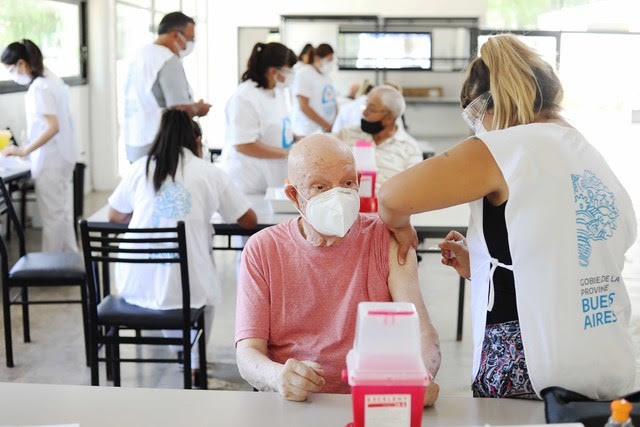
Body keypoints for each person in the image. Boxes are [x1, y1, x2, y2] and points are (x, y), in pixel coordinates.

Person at [378, 34, 637, 400]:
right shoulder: (585, 151)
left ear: (489, 104)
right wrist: (483, 263)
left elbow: (391, 197)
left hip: (527, 366)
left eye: (474, 115)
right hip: (604, 357)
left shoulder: (507, 146)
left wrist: (401, 226)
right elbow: (576, 249)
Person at [235, 134, 440, 405]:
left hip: (372, 399)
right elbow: (248, 353)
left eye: (346, 183)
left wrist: (421, 376)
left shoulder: (387, 239)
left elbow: (422, 332)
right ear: (294, 196)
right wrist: (278, 377)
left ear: (359, 182)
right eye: (320, 186)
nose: (337, 196)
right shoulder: (263, 249)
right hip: (294, 403)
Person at [108, 109, 257, 365]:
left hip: (135, 283)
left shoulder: (139, 168)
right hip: (188, 289)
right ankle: (193, 360)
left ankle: (180, 353)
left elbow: (115, 216)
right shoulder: (209, 172)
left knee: (177, 285)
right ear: (196, 141)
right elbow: (249, 220)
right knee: (206, 292)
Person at [1, 40, 79, 253]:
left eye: (10, 69)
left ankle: (51, 264)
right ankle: (70, 257)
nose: (11, 74)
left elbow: (52, 127)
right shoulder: (51, 79)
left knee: (53, 216)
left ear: (22, 63)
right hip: (62, 154)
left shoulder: (39, 88)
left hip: (52, 158)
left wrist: (24, 150)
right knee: (62, 212)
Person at [122, 11, 211, 163]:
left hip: (136, 141)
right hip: (159, 144)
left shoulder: (142, 54)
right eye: (191, 38)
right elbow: (178, 110)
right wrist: (198, 108)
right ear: (176, 35)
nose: (190, 44)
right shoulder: (166, 59)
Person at [220, 42, 297, 194]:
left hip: (272, 180)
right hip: (249, 183)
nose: (292, 74)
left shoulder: (276, 92)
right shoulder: (245, 98)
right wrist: (288, 153)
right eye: (289, 70)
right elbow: (244, 144)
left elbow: (278, 128)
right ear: (273, 71)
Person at [336, 85, 422, 193]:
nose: (365, 113)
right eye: (365, 105)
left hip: (388, 207)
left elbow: (413, 189)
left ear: (389, 118)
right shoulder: (346, 135)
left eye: (372, 109)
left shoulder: (409, 148)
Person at [291, 43, 338, 135]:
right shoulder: (303, 74)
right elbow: (304, 106)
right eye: (328, 60)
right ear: (317, 59)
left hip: (327, 130)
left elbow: (333, 100)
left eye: (332, 60)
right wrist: (325, 124)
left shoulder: (326, 76)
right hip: (309, 131)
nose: (331, 64)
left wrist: (335, 121)